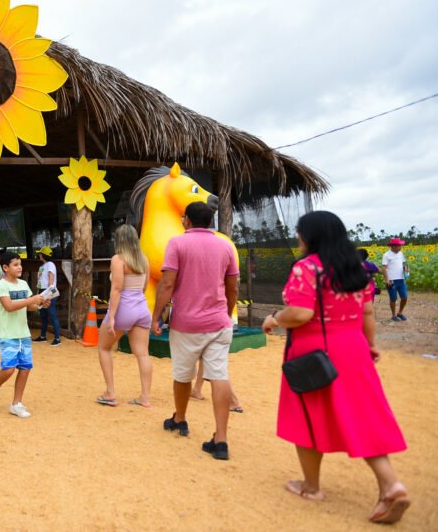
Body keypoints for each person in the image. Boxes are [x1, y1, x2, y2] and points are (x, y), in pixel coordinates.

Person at [262, 211, 409, 524]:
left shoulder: (307, 267)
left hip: (314, 351)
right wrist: (370, 345)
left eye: (300, 233)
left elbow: (300, 313)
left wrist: (275, 317)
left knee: (307, 415)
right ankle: (391, 484)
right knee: (362, 415)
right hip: (353, 348)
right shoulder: (354, 266)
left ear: (310, 236)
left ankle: (311, 487)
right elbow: (367, 311)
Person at [151, 202, 239, 461]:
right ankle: (221, 440)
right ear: (211, 221)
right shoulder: (225, 245)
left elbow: (167, 284)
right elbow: (232, 288)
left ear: (186, 220)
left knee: (182, 373)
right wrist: (226, 312)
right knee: (219, 375)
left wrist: (157, 316)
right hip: (219, 324)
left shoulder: (176, 244)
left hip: (186, 324)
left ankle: (180, 418)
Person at [0, 251, 48, 418]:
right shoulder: (1, 286)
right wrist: (32, 300)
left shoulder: (23, 284)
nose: (20, 267)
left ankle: (16, 404)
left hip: (23, 334)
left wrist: (40, 304)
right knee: (9, 368)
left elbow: (29, 307)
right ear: (5, 267)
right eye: (16, 265)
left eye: (20, 264)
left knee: (25, 368)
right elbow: (9, 306)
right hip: (7, 334)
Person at [96, 225, 153, 408]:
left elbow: (117, 289)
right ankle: (145, 397)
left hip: (124, 308)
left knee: (104, 348)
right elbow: (144, 287)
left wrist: (112, 316)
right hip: (142, 308)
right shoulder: (144, 260)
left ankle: (110, 393)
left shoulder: (118, 259)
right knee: (143, 354)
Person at [32, 246, 61, 346]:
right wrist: (38, 293)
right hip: (42, 291)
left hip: (48, 291)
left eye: (40, 253)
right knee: (43, 315)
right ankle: (43, 336)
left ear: (43, 255)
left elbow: (51, 279)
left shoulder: (50, 265)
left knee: (52, 314)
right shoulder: (42, 267)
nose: (39, 255)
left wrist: (49, 293)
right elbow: (40, 282)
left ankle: (57, 338)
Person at [382, 238, 409, 322]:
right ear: (393, 246)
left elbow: (403, 264)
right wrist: (387, 279)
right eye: (399, 245)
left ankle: (400, 313)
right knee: (393, 298)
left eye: (401, 245)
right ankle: (393, 315)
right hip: (391, 280)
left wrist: (406, 270)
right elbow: (384, 268)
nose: (401, 247)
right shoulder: (387, 255)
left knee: (404, 297)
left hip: (401, 279)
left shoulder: (401, 254)